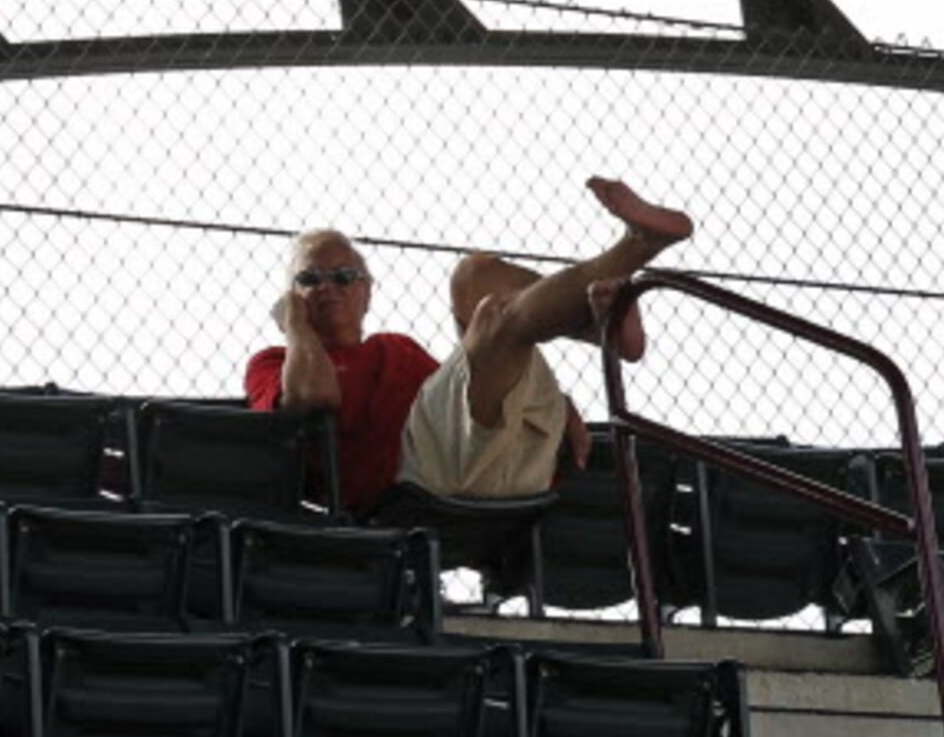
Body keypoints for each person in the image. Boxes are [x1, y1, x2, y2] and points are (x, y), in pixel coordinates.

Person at [245, 177, 696, 517]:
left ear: (367, 292)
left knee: (474, 277)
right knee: (495, 319)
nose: (327, 288)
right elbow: (315, 397)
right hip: (419, 484)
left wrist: (549, 400)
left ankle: (604, 326)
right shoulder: (277, 361)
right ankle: (632, 258)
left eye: (344, 277)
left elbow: (472, 386)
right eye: (308, 279)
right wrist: (294, 326)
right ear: (290, 295)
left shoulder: (397, 350)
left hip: (507, 458)